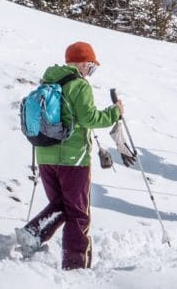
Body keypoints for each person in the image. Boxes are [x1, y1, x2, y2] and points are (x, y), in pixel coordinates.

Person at [16, 41, 124, 270]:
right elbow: (89, 119)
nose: (90, 72)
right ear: (84, 64)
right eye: (91, 67)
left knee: (61, 205)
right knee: (78, 213)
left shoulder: (48, 81)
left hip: (45, 154)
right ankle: (75, 265)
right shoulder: (79, 85)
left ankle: (33, 233)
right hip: (73, 158)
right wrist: (115, 112)